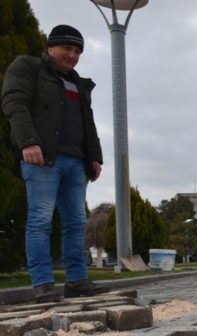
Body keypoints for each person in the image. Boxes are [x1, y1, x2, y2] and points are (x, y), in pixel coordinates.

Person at [2, 25, 109, 303]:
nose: (72, 55)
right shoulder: (29, 68)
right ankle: (43, 286)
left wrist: (94, 157)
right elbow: (14, 102)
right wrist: (27, 141)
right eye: (67, 48)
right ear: (50, 47)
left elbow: (88, 123)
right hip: (43, 159)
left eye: (77, 51)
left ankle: (77, 281)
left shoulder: (78, 83)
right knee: (40, 220)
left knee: (76, 223)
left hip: (76, 162)